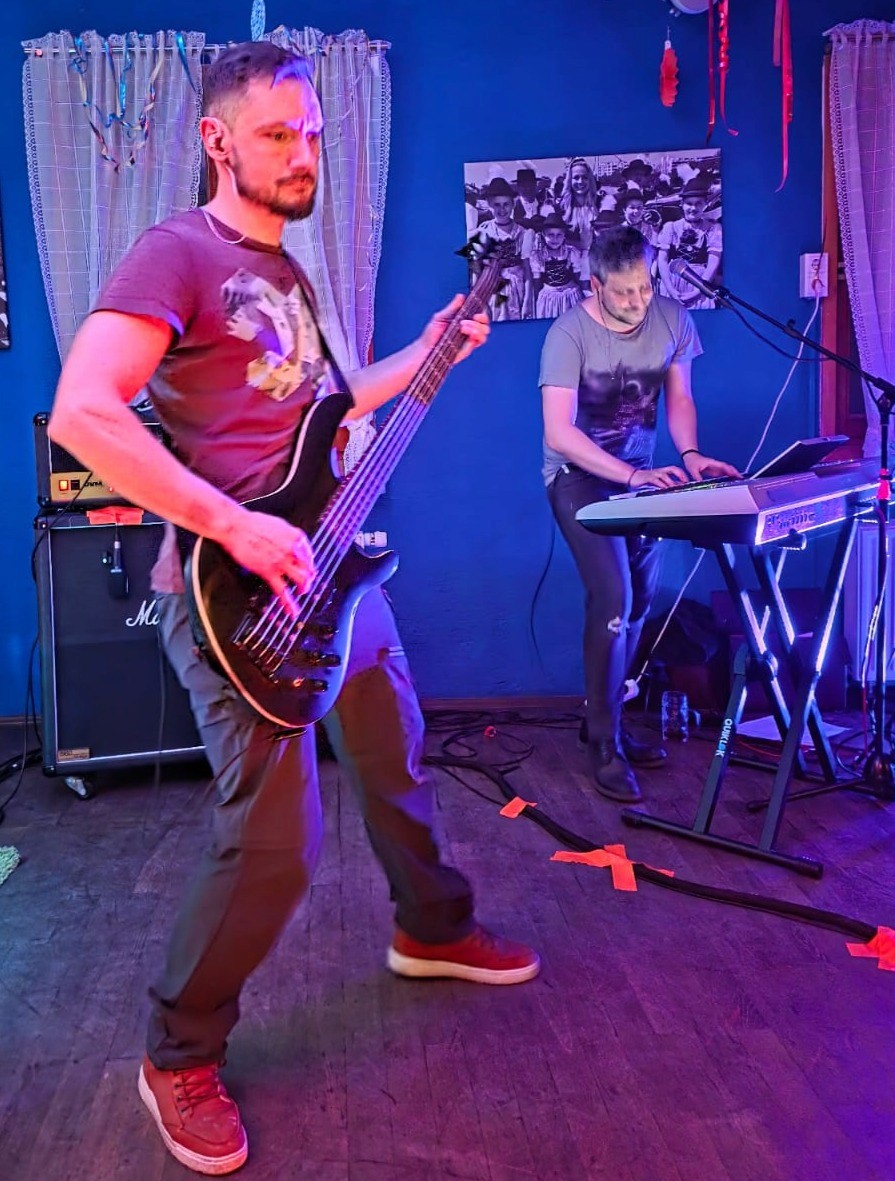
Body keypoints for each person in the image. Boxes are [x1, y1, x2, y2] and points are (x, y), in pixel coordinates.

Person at [48, 41, 539, 1177]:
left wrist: (427, 353)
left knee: (394, 750)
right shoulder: (175, 253)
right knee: (277, 843)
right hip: (238, 596)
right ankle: (177, 1051)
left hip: (329, 570)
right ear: (217, 140)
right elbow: (84, 410)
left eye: (312, 132)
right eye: (277, 134)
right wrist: (229, 523)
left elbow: (327, 408)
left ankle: (431, 926)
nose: (302, 152)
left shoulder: (289, 272)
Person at [539, 225, 738, 803]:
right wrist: (630, 476)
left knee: (640, 606)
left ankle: (606, 721)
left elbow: (680, 399)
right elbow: (559, 432)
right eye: (623, 291)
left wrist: (692, 455)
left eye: (645, 287)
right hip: (578, 478)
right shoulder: (567, 335)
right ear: (595, 285)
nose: (637, 301)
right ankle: (604, 745)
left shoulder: (674, 320)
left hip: (641, 478)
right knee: (613, 599)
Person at [471, 176, 534, 321]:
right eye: (496, 205)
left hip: (518, 289)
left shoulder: (522, 233)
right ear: (489, 205)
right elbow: (476, 271)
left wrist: (527, 300)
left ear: (513, 204)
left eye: (506, 204)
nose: (502, 209)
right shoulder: (483, 231)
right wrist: (481, 304)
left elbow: (527, 270)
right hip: (493, 290)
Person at [656, 177, 723, 310]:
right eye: (689, 203)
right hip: (673, 282)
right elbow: (662, 260)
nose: (693, 208)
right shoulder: (670, 227)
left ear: (705, 204)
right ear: (682, 204)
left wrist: (698, 291)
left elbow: (713, 264)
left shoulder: (713, 229)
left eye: (698, 203)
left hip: (700, 282)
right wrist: (671, 290)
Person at [529, 211, 588, 318]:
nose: (555, 239)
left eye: (559, 235)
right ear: (543, 235)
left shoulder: (570, 252)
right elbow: (537, 281)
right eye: (550, 235)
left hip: (569, 293)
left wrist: (584, 295)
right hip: (549, 295)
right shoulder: (538, 255)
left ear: (564, 235)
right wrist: (537, 301)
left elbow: (577, 276)